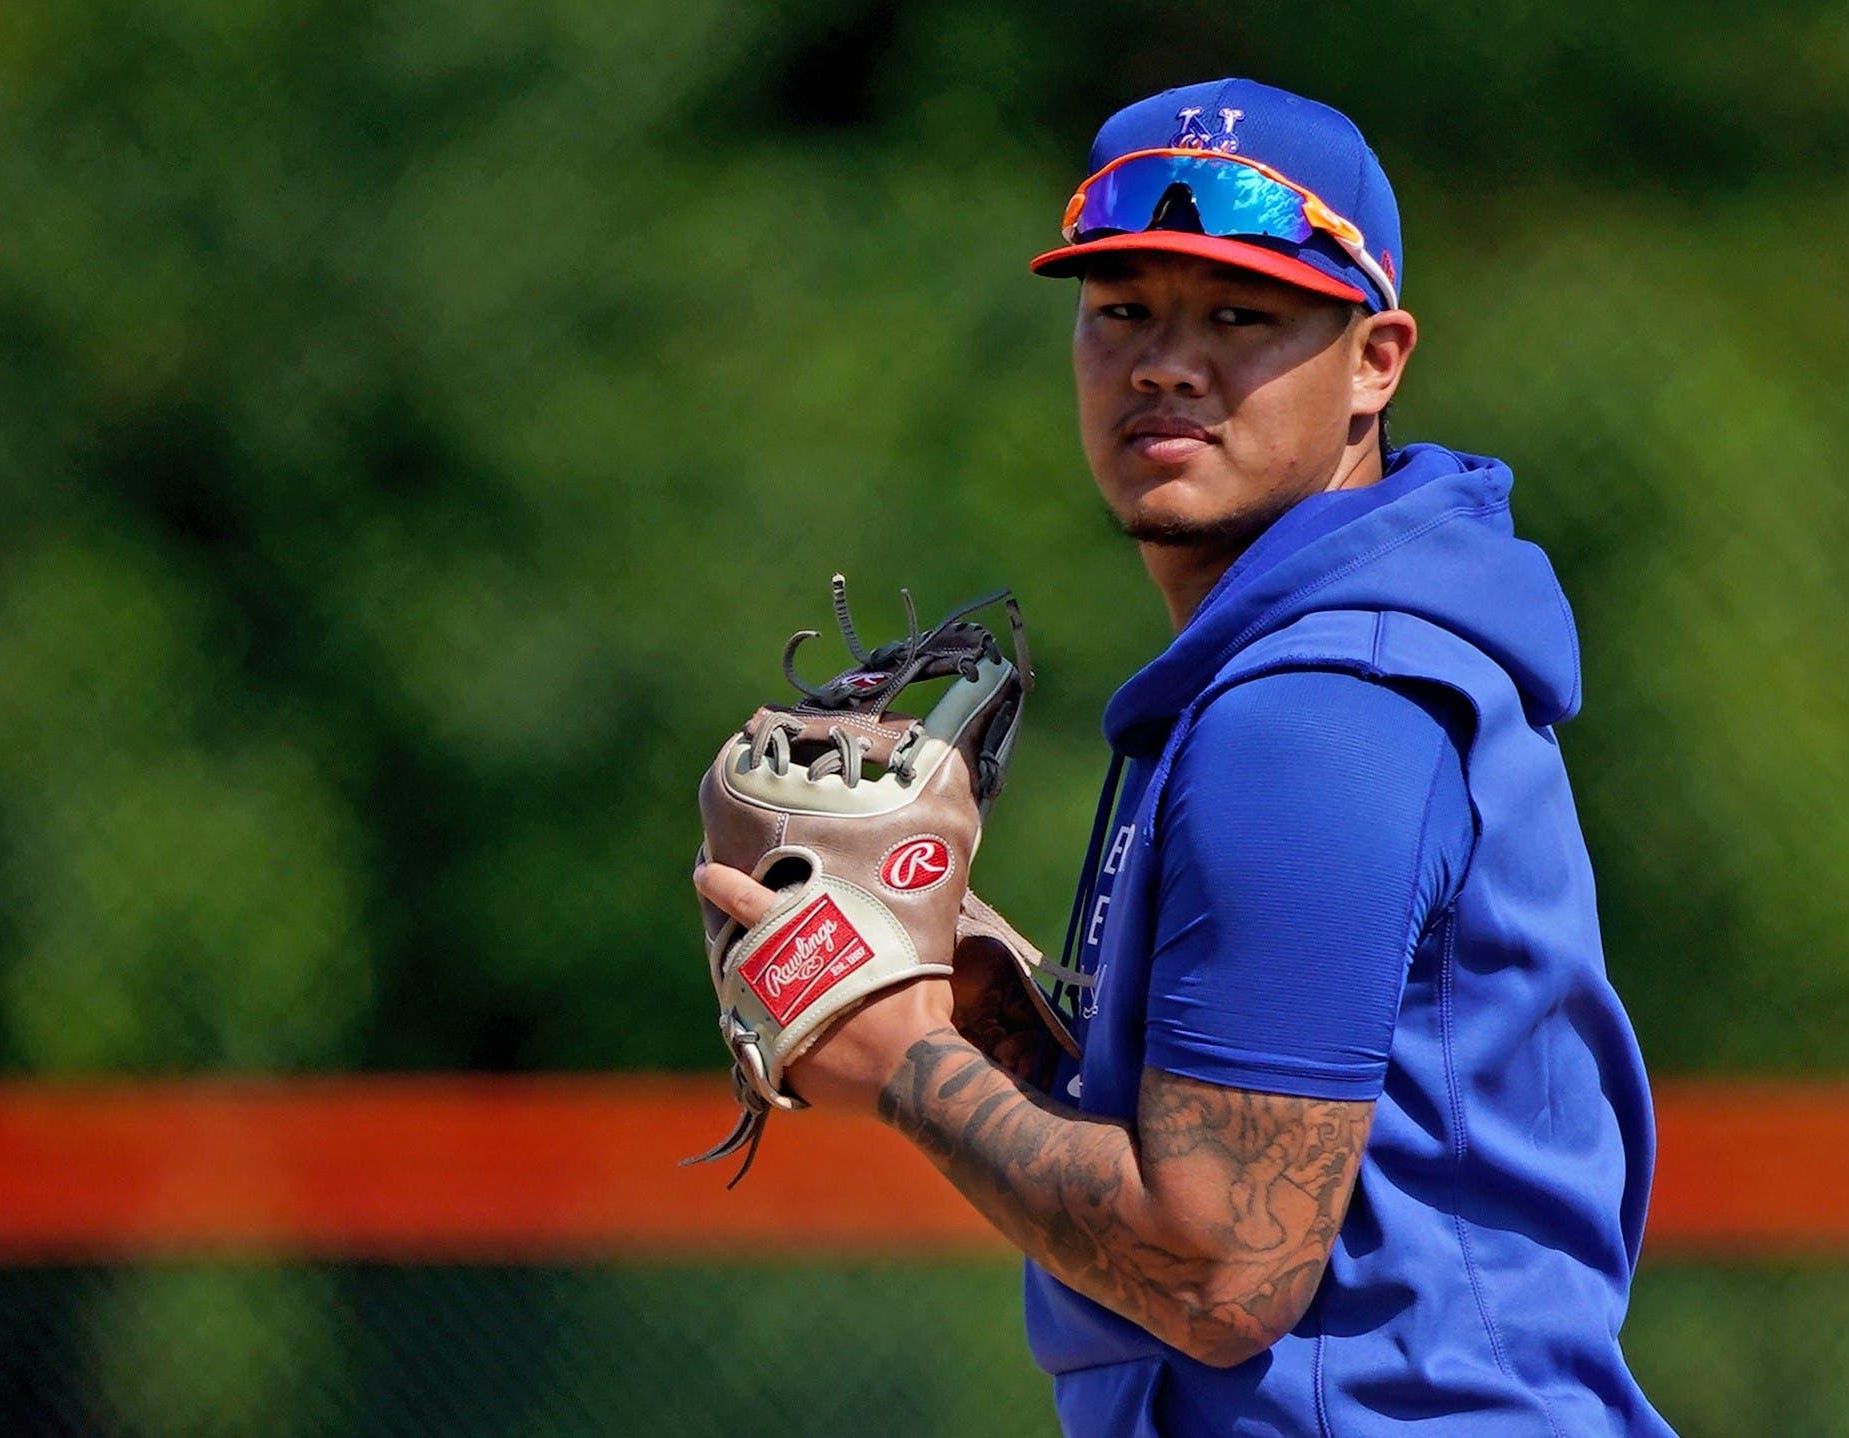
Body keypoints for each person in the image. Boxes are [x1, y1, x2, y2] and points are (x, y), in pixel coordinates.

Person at [695, 77, 1675, 1437]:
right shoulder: (1272, 678)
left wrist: (906, 1057)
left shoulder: (1318, 709)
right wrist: (976, 1001)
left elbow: (1222, 1269)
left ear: (1376, 358)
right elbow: (1230, 1183)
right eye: (1122, 312)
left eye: (1239, 314)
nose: (1165, 360)